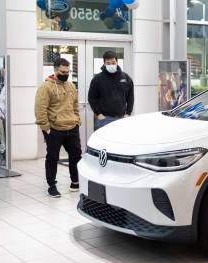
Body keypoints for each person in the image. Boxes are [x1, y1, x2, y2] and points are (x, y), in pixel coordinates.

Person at [34, 58, 81, 198]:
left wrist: (77, 120)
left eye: (68, 71)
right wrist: (46, 128)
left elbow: (75, 105)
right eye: (62, 71)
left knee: (76, 156)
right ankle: (51, 185)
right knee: (53, 157)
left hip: (72, 127)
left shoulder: (71, 86)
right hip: (54, 129)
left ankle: (75, 182)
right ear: (55, 70)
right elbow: (40, 108)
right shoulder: (46, 87)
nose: (65, 74)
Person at [88, 51, 134, 129]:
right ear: (104, 63)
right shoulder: (97, 79)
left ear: (117, 62)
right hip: (105, 119)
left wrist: (128, 113)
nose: (111, 65)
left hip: (122, 118)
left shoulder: (126, 78)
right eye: (108, 63)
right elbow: (92, 98)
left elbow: (130, 97)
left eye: (113, 62)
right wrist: (98, 114)